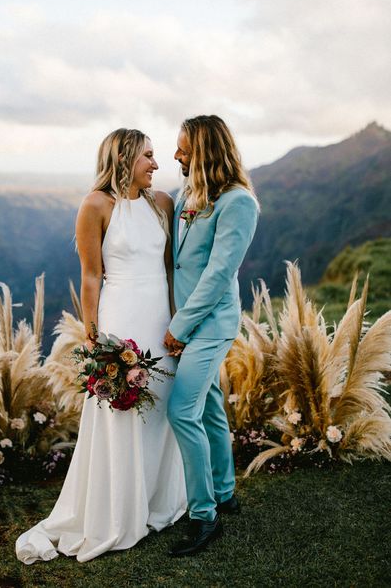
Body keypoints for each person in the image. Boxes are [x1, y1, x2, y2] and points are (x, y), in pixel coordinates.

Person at [16, 128, 186, 564]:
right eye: (148, 156)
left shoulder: (163, 203)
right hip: (121, 320)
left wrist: (177, 323)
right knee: (123, 410)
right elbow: (91, 275)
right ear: (126, 157)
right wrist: (93, 333)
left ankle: (156, 501)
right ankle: (118, 511)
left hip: (160, 320)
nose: (156, 163)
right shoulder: (94, 206)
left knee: (161, 408)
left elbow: (170, 271)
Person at [164, 115, 259, 557]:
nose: (176, 155)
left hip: (211, 323)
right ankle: (224, 491)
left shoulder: (238, 203)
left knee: (183, 411)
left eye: (183, 148)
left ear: (204, 150)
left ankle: (204, 516)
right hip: (189, 319)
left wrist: (179, 327)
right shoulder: (189, 193)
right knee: (211, 406)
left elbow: (219, 274)